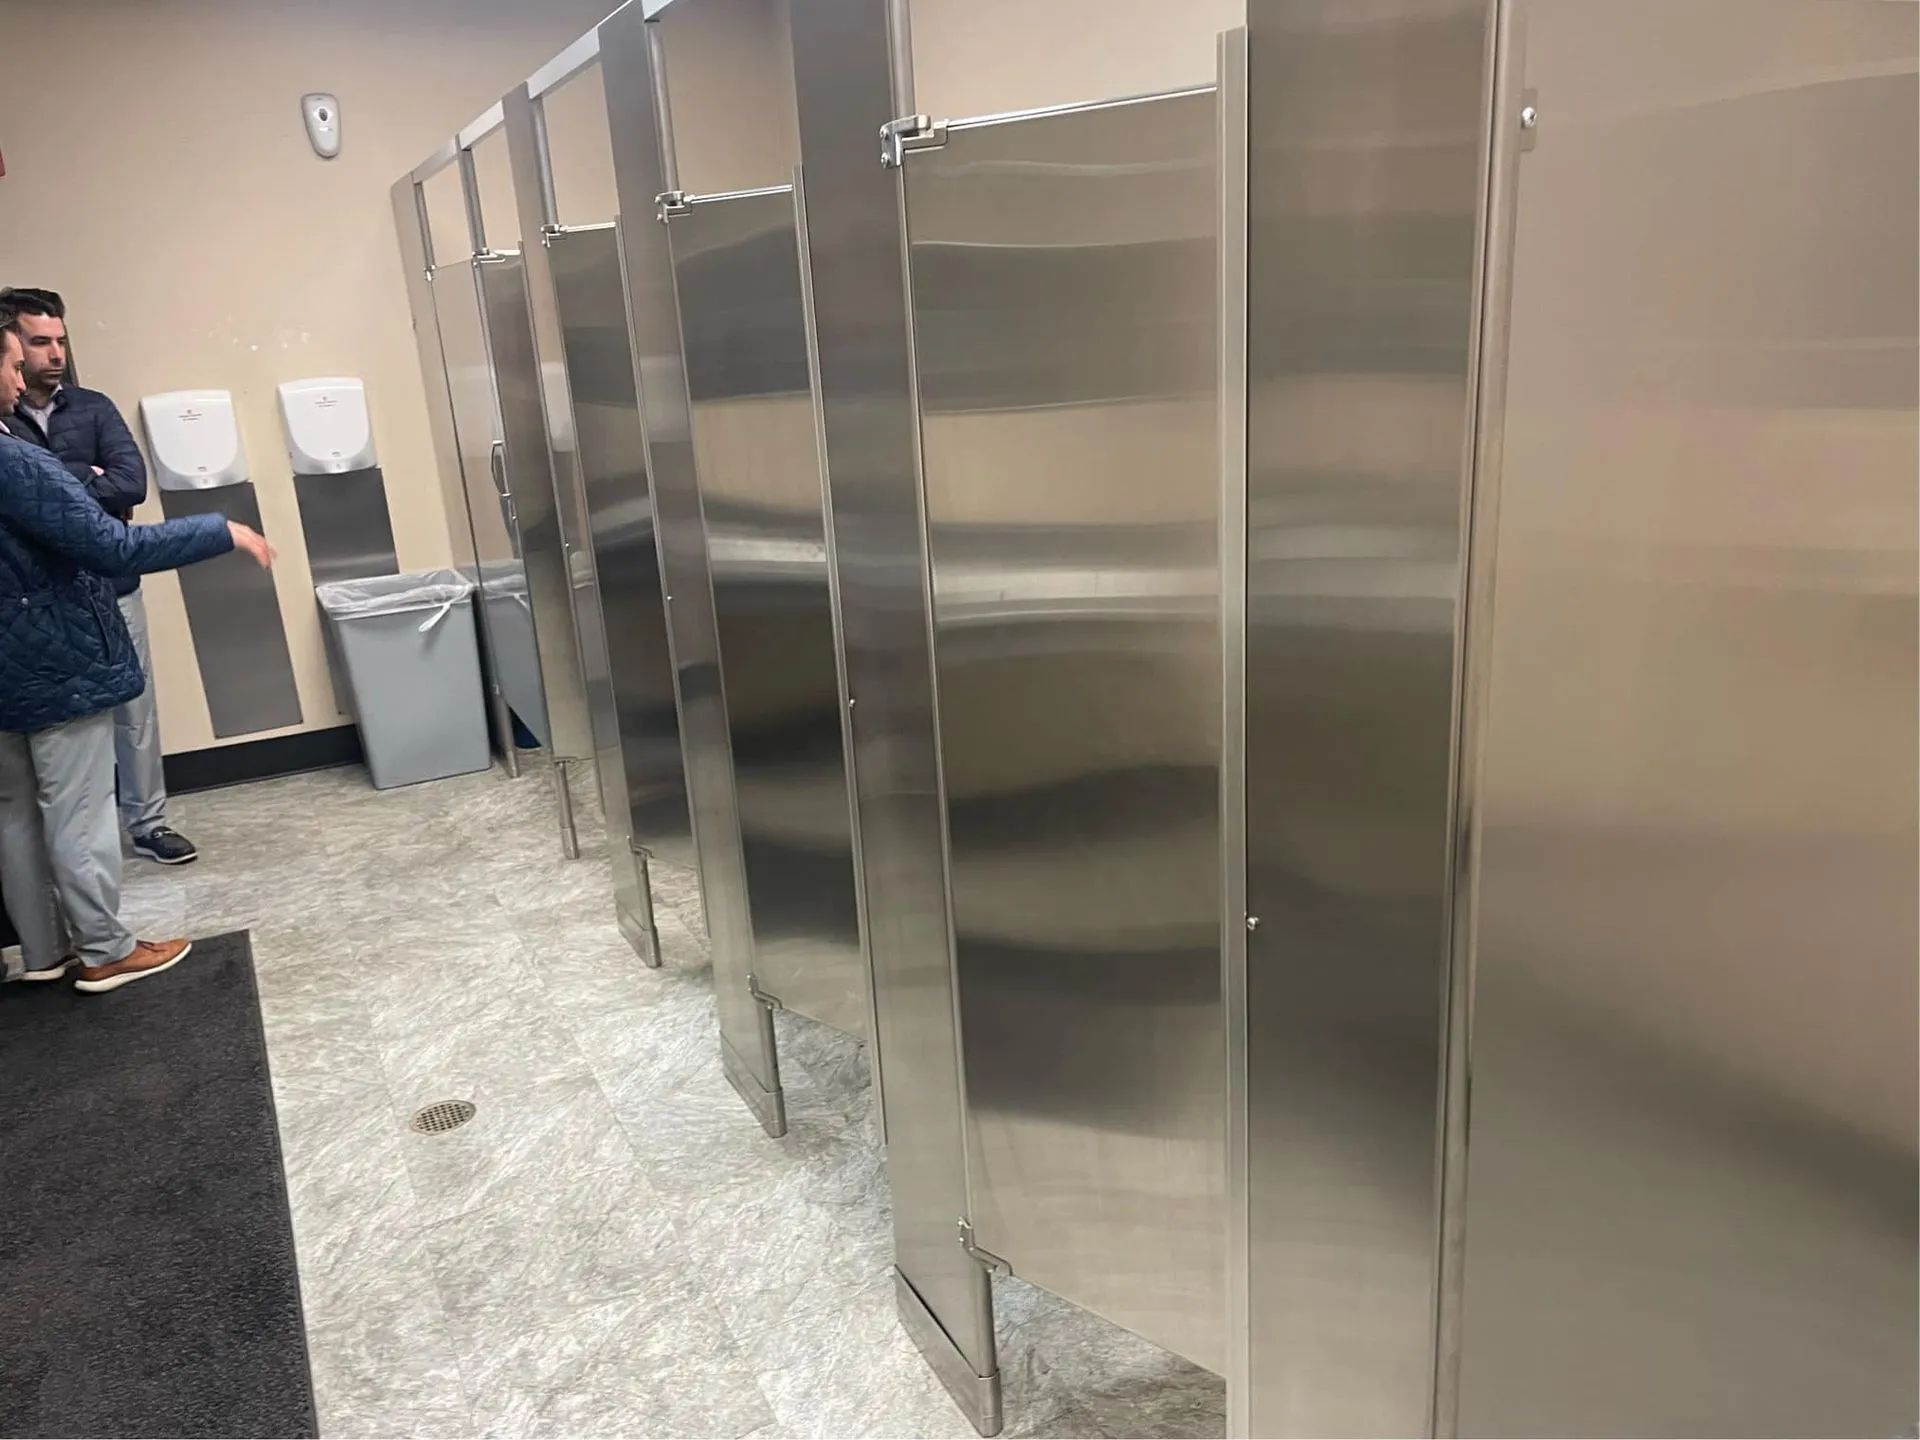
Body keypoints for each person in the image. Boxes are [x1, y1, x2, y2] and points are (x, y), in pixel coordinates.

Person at [0, 320, 275, 992]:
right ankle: (104, 950)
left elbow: (121, 483)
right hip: (54, 657)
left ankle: (44, 953)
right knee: (78, 807)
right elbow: (114, 546)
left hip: (9, 660)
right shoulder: (15, 461)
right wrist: (220, 530)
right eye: (10, 362)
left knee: (14, 809)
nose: (17, 376)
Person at [0, 287, 198, 866]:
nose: (54, 354)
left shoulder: (92, 407)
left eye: (61, 340)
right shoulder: (7, 426)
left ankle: (149, 823)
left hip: (113, 585)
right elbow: (52, 494)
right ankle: (76, 855)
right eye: (39, 343)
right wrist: (82, 477)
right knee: (56, 744)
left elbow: (131, 482)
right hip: (46, 604)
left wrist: (68, 486)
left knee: (136, 711)